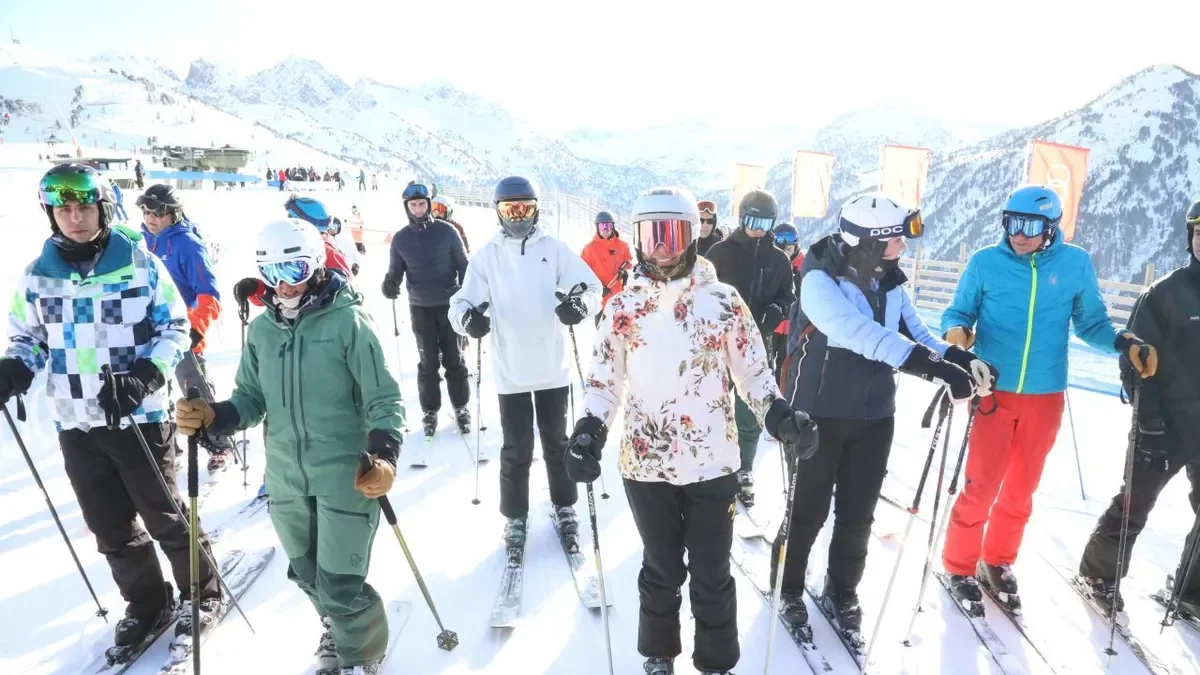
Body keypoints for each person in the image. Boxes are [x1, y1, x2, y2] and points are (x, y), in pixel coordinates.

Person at [565, 187, 819, 675]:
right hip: (646, 464)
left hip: (712, 462)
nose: (662, 246)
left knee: (710, 573)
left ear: (690, 237)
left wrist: (781, 416)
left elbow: (753, 375)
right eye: (651, 235)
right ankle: (659, 656)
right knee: (660, 569)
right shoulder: (621, 308)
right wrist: (589, 431)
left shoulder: (723, 301)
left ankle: (716, 662)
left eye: (673, 233)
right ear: (637, 239)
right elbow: (603, 381)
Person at [0, 164, 219, 654]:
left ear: (102, 208)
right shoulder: (38, 276)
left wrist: (144, 376)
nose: (74, 218)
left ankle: (201, 593)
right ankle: (146, 602)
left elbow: (175, 328)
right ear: (51, 214)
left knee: (164, 516)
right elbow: (28, 338)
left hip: (136, 416)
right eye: (64, 209)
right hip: (75, 420)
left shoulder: (138, 263)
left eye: (83, 207)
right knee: (109, 527)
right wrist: (14, 369)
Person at [176, 219, 403, 675]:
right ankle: (336, 627)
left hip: (346, 476)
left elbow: (384, 398)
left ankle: (362, 655)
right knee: (305, 572)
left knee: (340, 582)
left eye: (295, 267)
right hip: (285, 477)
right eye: (274, 269)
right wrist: (214, 415)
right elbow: (251, 399)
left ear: (315, 263)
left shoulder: (348, 322)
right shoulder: (263, 331)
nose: (285, 282)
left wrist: (385, 455)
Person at [775, 192, 985, 637]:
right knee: (807, 511)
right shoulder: (818, 281)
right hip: (818, 413)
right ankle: (787, 586)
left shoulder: (888, 281)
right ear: (869, 242)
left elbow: (915, 331)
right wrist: (933, 369)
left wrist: (959, 359)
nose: (903, 248)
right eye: (895, 240)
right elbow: (859, 333)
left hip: (873, 414)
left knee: (858, 511)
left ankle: (842, 588)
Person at [940, 185, 1158, 613]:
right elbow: (958, 311)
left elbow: (1091, 322)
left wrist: (1122, 341)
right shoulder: (986, 261)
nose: (1018, 235)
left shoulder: (1074, 264)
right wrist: (957, 335)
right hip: (993, 390)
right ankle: (959, 564)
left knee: (1021, 489)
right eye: (1011, 224)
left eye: (1030, 226)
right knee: (981, 485)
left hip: (1045, 396)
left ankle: (997, 561)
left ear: (1051, 228)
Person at [449, 176, 601, 544]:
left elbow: (592, 287)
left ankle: (564, 506)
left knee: (557, 443)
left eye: (525, 208)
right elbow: (459, 303)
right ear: (498, 213)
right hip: (511, 370)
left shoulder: (553, 247)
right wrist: (469, 320)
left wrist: (579, 306)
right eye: (510, 209)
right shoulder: (489, 256)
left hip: (551, 368)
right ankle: (515, 516)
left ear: (536, 209)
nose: (518, 217)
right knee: (516, 449)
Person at [1076, 200, 1200, 616]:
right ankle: (1099, 574)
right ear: (1190, 239)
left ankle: (1191, 591)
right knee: (1136, 501)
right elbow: (1135, 363)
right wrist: (1149, 422)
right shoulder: (1165, 293)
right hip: (1166, 421)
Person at [704, 189, 796, 507]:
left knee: (750, 410)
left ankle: (744, 468)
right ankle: (712, 463)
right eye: (753, 220)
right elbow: (698, 290)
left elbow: (788, 295)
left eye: (766, 222)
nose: (759, 228)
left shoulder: (779, 260)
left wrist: (778, 310)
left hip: (758, 343)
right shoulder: (720, 253)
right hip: (717, 344)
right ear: (742, 217)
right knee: (712, 404)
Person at [137, 184, 237, 471]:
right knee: (155, 393)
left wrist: (195, 329)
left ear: (173, 213)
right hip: (150, 331)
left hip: (184, 333)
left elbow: (209, 294)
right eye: (145, 212)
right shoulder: (141, 242)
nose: (150, 218)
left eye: (156, 212)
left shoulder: (187, 244)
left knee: (193, 390)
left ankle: (219, 444)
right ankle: (169, 446)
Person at [382, 182, 471, 439]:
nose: (419, 209)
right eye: (414, 205)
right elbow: (395, 272)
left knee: (454, 359)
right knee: (428, 362)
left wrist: (465, 293)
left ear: (429, 205)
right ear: (407, 207)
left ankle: (461, 407)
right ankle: (430, 410)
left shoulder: (448, 231)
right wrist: (390, 285)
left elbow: (464, 265)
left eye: (422, 204)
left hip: (449, 305)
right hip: (420, 308)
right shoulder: (401, 239)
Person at [580, 210, 633, 326]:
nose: (606, 229)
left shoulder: (623, 246)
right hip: (601, 301)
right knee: (602, 335)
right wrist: (597, 287)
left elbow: (629, 266)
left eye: (609, 226)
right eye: (603, 226)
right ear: (597, 228)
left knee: (622, 333)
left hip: (620, 300)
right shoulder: (590, 249)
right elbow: (582, 273)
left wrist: (626, 274)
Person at [769, 223, 804, 385]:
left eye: (788, 250)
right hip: (772, 321)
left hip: (792, 325)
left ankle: (782, 397)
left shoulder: (803, 266)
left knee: (785, 366)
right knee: (766, 363)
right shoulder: (770, 262)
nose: (785, 254)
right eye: (781, 250)